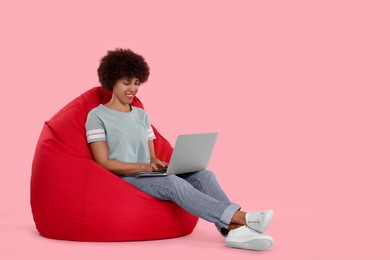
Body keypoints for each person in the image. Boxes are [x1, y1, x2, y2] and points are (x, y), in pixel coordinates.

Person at [85, 48, 274, 251]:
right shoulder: (97, 116)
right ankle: (243, 218)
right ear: (111, 80)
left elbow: (151, 156)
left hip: (148, 174)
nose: (133, 88)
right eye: (127, 82)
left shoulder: (141, 115)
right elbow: (103, 163)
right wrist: (145, 167)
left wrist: (157, 164)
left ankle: (234, 230)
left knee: (204, 176)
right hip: (126, 178)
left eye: (137, 83)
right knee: (173, 183)